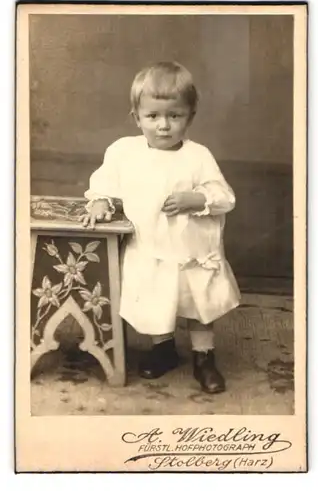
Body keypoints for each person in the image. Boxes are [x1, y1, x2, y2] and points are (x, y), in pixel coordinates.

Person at [81, 61, 240, 394]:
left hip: (192, 250)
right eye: (153, 117)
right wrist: (100, 202)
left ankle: (203, 356)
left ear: (190, 117)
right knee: (156, 300)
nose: (163, 126)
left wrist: (196, 199)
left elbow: (225, 197)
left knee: (199, 303)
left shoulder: (198, 156)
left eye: (174, 116)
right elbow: (105, 186)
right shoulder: (124, 152)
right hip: (150, 248)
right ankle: (163, 349)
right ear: (137, 117)